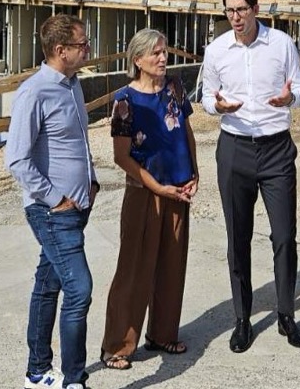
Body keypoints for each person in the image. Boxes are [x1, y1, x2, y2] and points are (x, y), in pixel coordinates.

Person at [201, 0, 300, 353]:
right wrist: (218, 107)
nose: (236, 17)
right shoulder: (216, 50)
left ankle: (286, 316)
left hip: (276, 148)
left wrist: (289, 99)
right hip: (235, 149)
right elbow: (207, 97)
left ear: (256, 10)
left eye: (242, 10)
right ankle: (242, 319)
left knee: (284, 236)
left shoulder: (281, 44)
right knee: (238, 238)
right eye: (230, 10)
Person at [6, 14, 99, 389]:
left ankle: (37, 371)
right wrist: (55, 199)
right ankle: (74, 379)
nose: (88, 49)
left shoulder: (73, 85)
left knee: (48, 285)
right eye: (82, 44)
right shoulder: (35, 92)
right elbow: (17, 159)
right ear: (61, 50)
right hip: (52, 212)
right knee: (79, 289)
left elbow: (75, 142)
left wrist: (91, 181)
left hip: (77, 208)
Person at [100, 29, 199, 370]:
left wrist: (194, 171)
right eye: (155, 52)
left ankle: (162, 334)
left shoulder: (175, 88)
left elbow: (185, 131)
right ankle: (117, 346)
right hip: (145, 192)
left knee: (172, 266)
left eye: (164, 51)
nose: (162, 57)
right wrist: (157, 187)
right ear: (137, 60)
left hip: (179, 189)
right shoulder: (125, 100)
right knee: (134, 270)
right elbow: (121, 157)